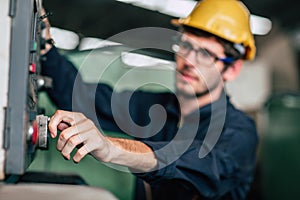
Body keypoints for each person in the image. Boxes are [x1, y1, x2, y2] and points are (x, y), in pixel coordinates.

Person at [41, 0, 258, 199]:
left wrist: (111, 148)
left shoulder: (239, 133)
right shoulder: (158, 108)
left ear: (232, 69)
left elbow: (198, 162)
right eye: (186, 45)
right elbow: (85, 98)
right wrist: (46, 47)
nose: (188, 61)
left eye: (205, 54)